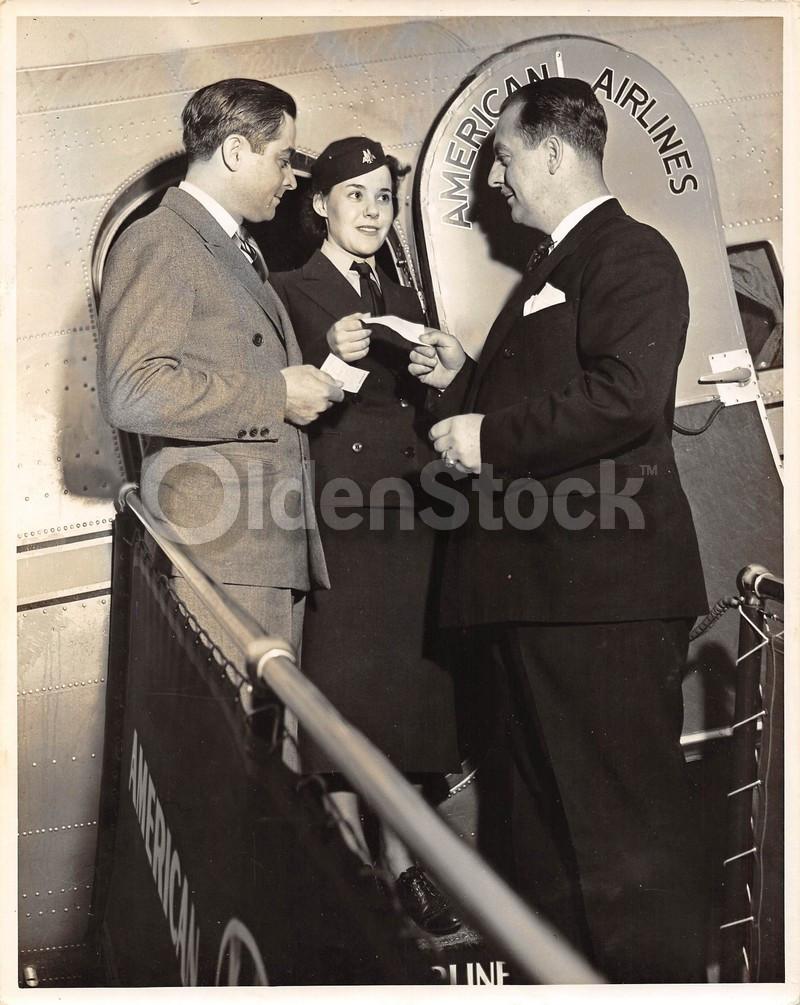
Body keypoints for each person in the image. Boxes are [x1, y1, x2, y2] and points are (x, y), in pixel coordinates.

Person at [409, 78, 709, 981]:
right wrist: (464, 377)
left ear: (550, 151)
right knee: (543, 840)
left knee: (624, 841)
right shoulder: (549, 268)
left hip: (599, 607)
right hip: (543, 604)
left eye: (502, 158)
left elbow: (626, 395)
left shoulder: (631, 255)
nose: (495, 181)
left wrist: (488, 432)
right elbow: (549, 394)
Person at [271, 137, 461, 935]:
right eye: (356, 196)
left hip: (412, 512)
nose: (373, 211)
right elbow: (293, 406)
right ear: (320, 205)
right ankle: (373, 870)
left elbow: (422, 409)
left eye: (383, 197)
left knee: (409, 696)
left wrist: (451, 369)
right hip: (346, 518)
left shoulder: (404, 293)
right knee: (349, 695)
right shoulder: (285, 290)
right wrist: (335, 361)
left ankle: (412, 863)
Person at [97, 78, 344, 677]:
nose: (292, 179)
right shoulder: (162, 240)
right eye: (283, 159)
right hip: (224, 555)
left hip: (255, 548)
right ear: (235, 151)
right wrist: (277, 394)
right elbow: (133, 389)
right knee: (238, 759)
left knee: (265, 758)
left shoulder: (229, 247)